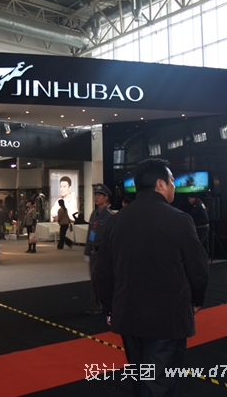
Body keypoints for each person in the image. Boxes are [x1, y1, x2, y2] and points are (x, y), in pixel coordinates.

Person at [96, 158, 209, 396]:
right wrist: (196, 300)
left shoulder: (115, 222)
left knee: (141, 380)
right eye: (171, 181)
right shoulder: (179, 219)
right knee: (159, 386)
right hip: (167, 318)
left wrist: (110, 308)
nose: (174, 186)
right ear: (160, 184)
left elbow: (103, 272)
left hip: (128, 316)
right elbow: (198, 268)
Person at [84, 183, 114, 315]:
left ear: (106, 197)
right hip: (93, 251)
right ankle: (95, 305)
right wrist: (87, 251)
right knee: (94, 279)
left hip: (103, 252)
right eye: (95, 195)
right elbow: (90, 233)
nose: (96, 197)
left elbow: (111, 237)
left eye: (100, 195)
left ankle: (102, 305)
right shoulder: (94, 214)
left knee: (102, 279)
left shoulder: (109, 216)